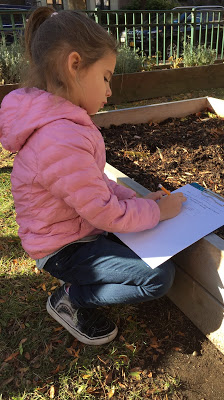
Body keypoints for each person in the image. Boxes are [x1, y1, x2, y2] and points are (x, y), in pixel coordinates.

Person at [0, 7, 186, 346]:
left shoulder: (61, 125)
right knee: (158, 277)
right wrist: (158, 212)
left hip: (79, 231)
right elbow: (103, 211)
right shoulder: (59, 138)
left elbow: (94, 184)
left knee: (147, 244)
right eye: (106, 77)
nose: (109, 91)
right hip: (64, 248)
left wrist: (137, 200)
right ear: (74, 66)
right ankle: (71, 298)